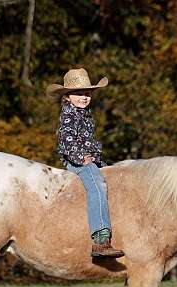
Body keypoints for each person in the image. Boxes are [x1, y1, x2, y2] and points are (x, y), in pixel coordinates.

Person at [46, 68, 125, 258]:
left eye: (87, 93)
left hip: (92, 160)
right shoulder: (68, 116)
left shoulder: (85, 115)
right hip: (78, 162)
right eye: (78, 93)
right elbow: (66, 142)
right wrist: (81, 158)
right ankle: (100, 240)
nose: (84, 97)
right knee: (97, 185)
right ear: (67, 97)